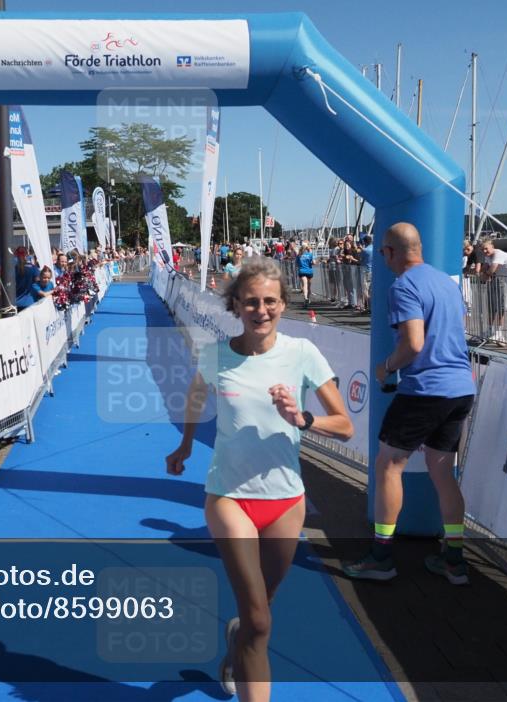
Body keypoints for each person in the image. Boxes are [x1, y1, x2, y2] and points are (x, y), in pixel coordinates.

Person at [167, 258, 353, 699]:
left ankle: (237, 645)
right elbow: (196, 396)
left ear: (283, 304)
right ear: (235, 305)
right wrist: (185, 444)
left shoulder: (302, 353)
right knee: (261, 621)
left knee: (258, 613)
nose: (261, 310)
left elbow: (345, 425)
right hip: (229, 497)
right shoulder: (216, 355)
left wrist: (304, 418)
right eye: (251, 302)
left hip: (286, 501)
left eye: (270, 301)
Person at [345, 223, 476, 585]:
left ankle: (381, 557)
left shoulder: (404, 286)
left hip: (426, 389)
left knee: (388, 466)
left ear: (390, 252)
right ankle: (454, 559)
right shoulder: (446, 283)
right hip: (460, 388)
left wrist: (386, 367)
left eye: (383, 253)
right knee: (442, 472)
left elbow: (414, 344)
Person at [479, 237, 507, 343]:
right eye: (482, 249)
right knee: (492, 306)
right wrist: (483, 273)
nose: (484, 251)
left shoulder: (498, 254)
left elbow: (492, 269)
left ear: (492, 246)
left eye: (486, 248)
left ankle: (500, 332)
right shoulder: (488, 256)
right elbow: (484, 268)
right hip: (501, 279)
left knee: (502, 307)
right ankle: (490, 330)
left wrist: (484, 275)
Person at [14, 246, 40, 310]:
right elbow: (38, 281)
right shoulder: (33, 268)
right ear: (26, 255)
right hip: (30, 302)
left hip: (15, 302)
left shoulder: (14, 268)